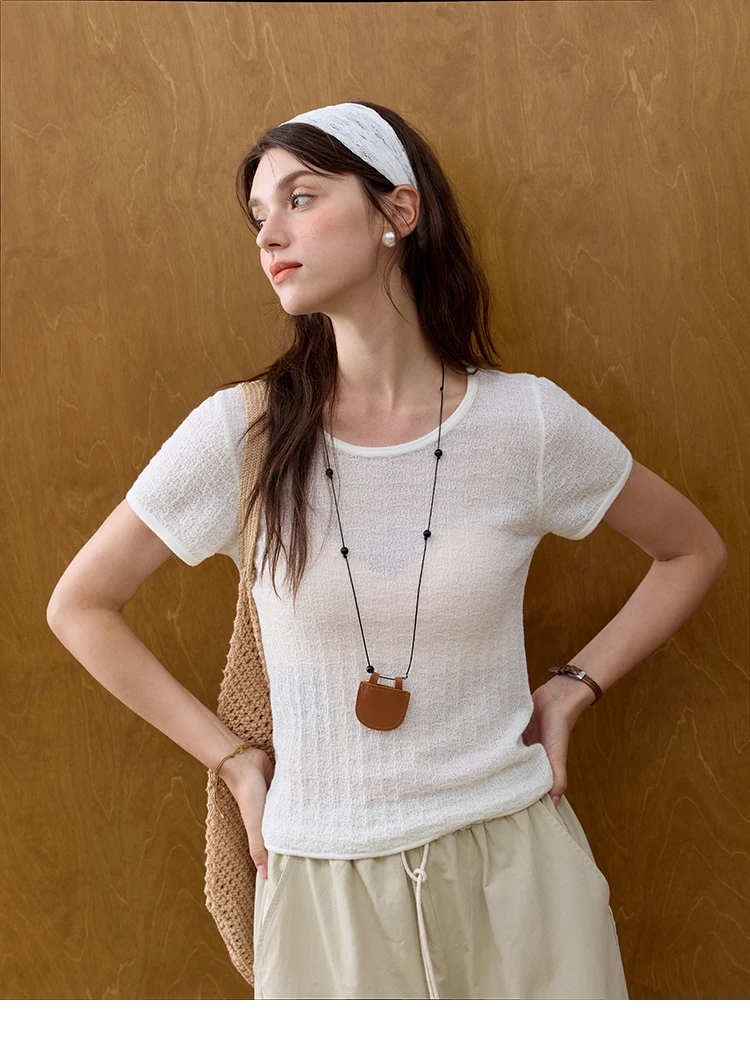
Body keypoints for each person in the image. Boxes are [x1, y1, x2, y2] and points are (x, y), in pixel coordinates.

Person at [47, 100, 728, 1000]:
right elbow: (80, 607)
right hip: (323, 890)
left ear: (396, 212)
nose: (269, 233)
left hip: (519, 878)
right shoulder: (241, 435)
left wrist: (572, 688)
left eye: (301, 198)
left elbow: (691, 550)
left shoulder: (525, 422)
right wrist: (233, 759)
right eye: (258, 215)